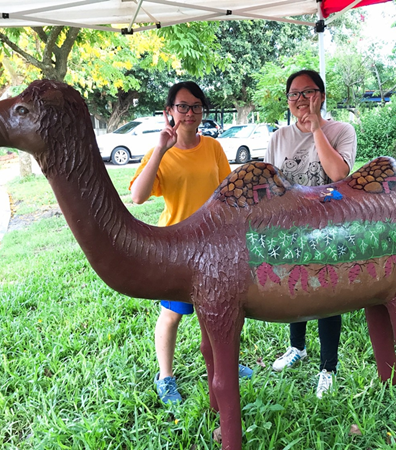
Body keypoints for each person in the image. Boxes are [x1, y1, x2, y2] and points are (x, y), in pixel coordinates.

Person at [130, 81, 253, 404]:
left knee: (213, 312)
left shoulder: (212, 146)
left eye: (196, 106)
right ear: (168, 112)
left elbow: (227, 192)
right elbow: (138, 196)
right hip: (176, 248)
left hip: (213, 247)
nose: (190, 113)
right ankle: (165, 376)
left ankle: (224, 364)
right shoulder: (161, 153)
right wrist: (160, 148)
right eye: (182, 106)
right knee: (172, 314)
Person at [264, 69, 357, 399]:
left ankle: (328, 368)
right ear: (287, 100)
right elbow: (270, 186)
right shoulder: (278, 138)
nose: (301, 100)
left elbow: (339, 174)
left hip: (329, 231)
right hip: (289, 230)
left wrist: (316, 127)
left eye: (309, 92)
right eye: (294, 94)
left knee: (328, 299)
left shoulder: (341, 130)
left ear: (322, 95)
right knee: (295, 289)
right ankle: (297, 348)